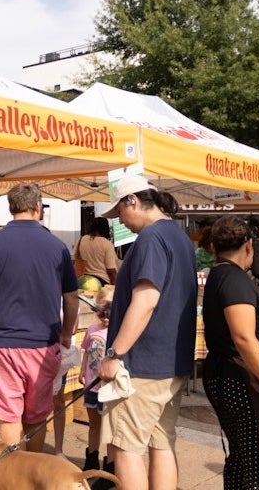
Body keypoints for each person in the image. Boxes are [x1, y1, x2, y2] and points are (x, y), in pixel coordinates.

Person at [97, 175, 197, 490]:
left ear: (133, 201)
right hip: (171, 360)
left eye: (120, 214)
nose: (121, 222)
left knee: (126, 448)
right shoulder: (178, 236)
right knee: (162, 443)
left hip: (142, 364)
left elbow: (146, 302)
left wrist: (115, 353)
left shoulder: (151, 238)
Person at [0, 182, 79, 451]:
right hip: (42, 346)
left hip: (1, 345)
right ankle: (29, 474)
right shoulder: (57, 246)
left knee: (7, 416)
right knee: (37, 417)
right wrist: (66, 333)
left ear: (10, 207)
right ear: (38, 207)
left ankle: (10, 476)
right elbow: (71, 297)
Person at [202, 215, 259, 489]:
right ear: (248, 244)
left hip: (230, 376)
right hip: (241, 380)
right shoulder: (233, 278)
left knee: (242, 459)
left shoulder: (223, 274)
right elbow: (244, 338)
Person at [79, 286, 114, 474]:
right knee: (94, 424)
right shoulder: (92, 329)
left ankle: (110, 466)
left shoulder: (117, 332)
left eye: (110, 312)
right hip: (91, 386)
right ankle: (91, 460)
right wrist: (82, 371)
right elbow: (86, 350)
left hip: (108, 389)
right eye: (101, 313)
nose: (106, 317)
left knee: (108, 428)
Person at [73, 217, 118, 285]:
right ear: (105, 228)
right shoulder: (106, 243)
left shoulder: (81, 240)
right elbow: (110, 269)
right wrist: (116, 284)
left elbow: (75, 260)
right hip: (102, 282)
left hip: (83, 281)